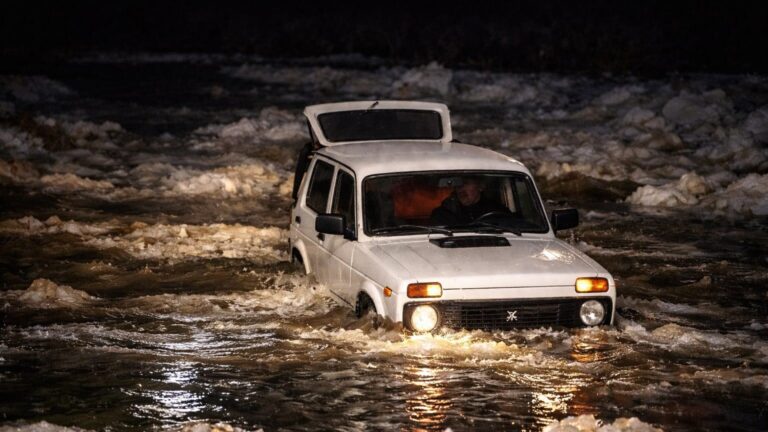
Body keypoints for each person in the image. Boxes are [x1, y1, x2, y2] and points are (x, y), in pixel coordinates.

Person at [431, 176, 508, 225]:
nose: (460, 188)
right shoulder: (443, 213)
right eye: (458, 185)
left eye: (465, 183)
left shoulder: (498, 210)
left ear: (481, 186)